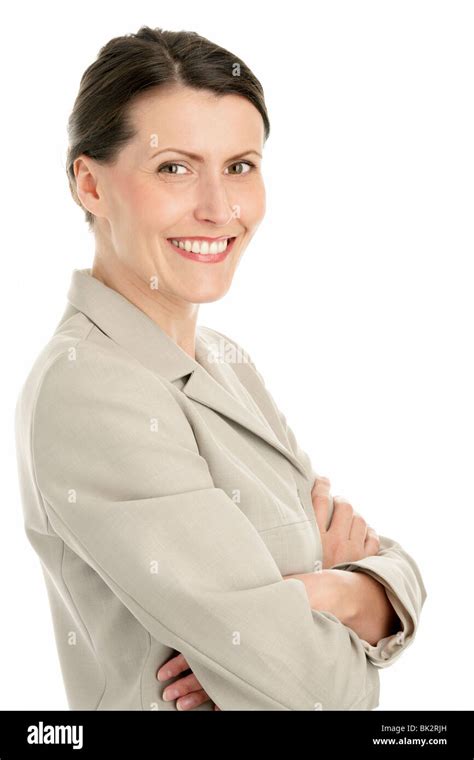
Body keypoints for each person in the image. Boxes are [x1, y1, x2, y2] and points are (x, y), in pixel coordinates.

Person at [14, 25, 427, 711]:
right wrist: (335, 600)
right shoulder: (90, 388)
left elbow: (396, 565)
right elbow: (322, 693)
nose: (219, 208)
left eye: (240, 165)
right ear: (89, 183)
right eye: (174, 167)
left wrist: (328, 591)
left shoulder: (229, 365)